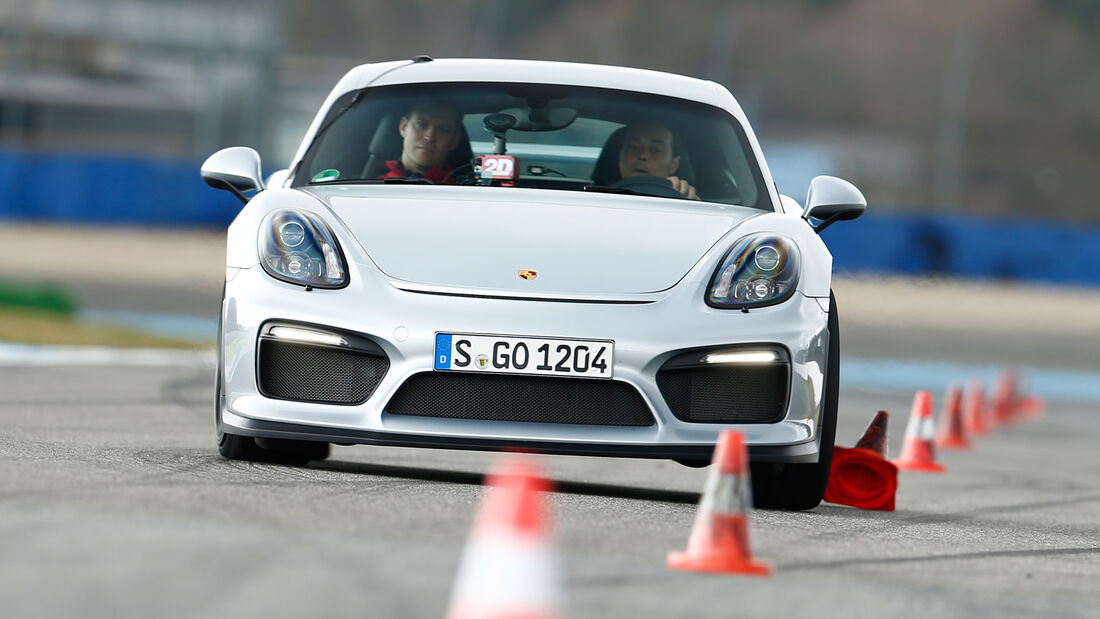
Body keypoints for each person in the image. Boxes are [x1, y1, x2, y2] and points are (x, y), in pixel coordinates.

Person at [381, 102, 463, 183]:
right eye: (421, 124)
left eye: (443, 129)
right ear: (404, 127)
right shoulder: (374, 188)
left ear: (454, 141)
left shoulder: (465, 193)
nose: (430, 137)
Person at [617, 123, 698, 199]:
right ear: (620, 156)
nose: (642, 155)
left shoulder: (682, 199)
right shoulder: (604, 196)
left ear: (673, 165)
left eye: (656, 150)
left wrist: (690, 202)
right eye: (633, 147)